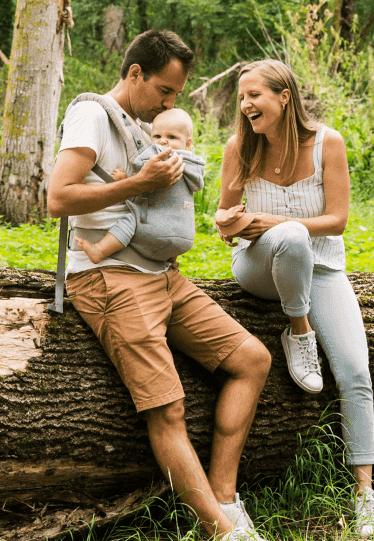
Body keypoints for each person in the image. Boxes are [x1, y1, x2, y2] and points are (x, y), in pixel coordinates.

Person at [46, 30, 274, 541]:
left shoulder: (141, 124)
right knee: (167, 408)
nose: (169, 104)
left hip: (161, 274)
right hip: (108, 277)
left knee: (252, 360)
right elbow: (58, 198)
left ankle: (225, 498)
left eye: (175, 95)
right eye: (165, 92)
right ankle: (224, 534)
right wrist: (139, 183)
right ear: (134, 75)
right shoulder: (92, 115)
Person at [216, 58, 374, 536]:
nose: (246, 105)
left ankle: (365, 496)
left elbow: (337, 221)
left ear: (283, 97)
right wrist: (226, 223)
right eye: (242, 97)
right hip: (260, 266)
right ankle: (298, 331)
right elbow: (228, 221)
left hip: (324, 267)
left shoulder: (327, 143)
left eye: (255, 95)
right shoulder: (238, 148)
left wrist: (271, 220)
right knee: (288, 237)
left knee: (354, 370)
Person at [77, 108, 203, 264]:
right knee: (177, 210)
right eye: (157, 136)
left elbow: (143, 187)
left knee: (132, 219)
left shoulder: (162, 161)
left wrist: (124, 181)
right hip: (184, 236)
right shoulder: (194, 167)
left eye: (171, 137)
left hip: (156, 232)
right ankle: (170, 260)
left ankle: (100, 250)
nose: (163, 141)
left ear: (187, 143)